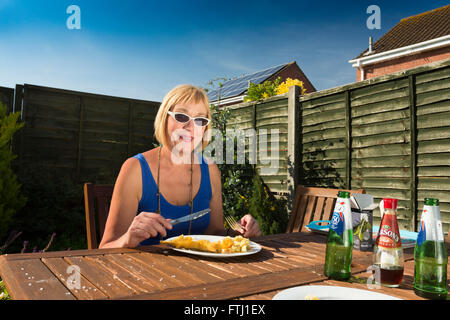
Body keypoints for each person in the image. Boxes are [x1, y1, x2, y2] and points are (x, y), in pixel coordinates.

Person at [99, 84, 261, 249]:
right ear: (164, 118)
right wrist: (128, 239)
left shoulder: (210, 170)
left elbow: (214, 233)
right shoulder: (135, 168)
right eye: (182, 116)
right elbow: (105, 248)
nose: (190, 127)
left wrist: (239, 233)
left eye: (200, 120)